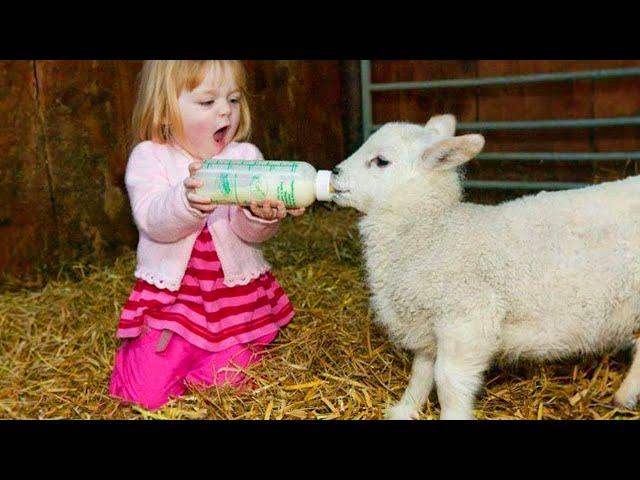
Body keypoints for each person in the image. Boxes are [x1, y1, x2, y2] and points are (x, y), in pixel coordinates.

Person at [109, 60, 304, 410]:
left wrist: (258, 214)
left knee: (231, 388)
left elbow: (251, 235)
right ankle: (162, 357)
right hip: (174, 303)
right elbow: (152, 219)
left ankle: (221, 355)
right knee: (146, 395)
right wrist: (186, 201)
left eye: (232, 99)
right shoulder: (149, 157)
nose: (225, 113)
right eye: (207, 102)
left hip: (232, 303)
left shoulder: (245, 157)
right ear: (166, 111)